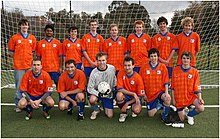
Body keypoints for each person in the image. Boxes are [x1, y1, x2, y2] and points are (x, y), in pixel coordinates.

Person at [8, 18, 37, 112]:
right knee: (19, 85)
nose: (25, 26)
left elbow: (33, 51)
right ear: (20, 26)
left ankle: (29, 102)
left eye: (26, 25)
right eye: (23, 25)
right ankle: (18, 104)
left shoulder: (32, 38)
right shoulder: (14, 38)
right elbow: (11, 52)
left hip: (29, 65)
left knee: (30, 85)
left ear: (28, 26)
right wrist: (18, 59)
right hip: (19, 66)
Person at [171, 51, 204, 125]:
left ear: (190, 60)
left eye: (187, 58)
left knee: (201, 108)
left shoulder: (194, 71)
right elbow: (172, 87)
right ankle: (184, 111)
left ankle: (190, 115)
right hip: (179, 98)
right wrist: (174, 99)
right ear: (181, 59)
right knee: (182, 119)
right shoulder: (175, 70)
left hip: (190, 97)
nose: (185, 60)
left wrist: (200, 98)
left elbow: (197, 86)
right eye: (184, 58)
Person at [139, 48, 171, 124]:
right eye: (152, 56)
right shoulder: (144, 67)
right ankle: (159, 105)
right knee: (151, 114)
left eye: (155, 56)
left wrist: (166, 93)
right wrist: (144, 95)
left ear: (157, 57)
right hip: (150, 94)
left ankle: (165, 115)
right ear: (149, 57)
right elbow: (140, 83)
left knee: (168, 98)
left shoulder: (163, 67)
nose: (153, 58)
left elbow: (166, 81)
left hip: (160, 92)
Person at [87, 52, 116, 120]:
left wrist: (112, 92)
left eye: (103, 60)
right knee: (92, 100)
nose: (101, 62)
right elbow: (89, 88)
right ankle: (96, 109)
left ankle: (103, 105)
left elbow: (114, 81)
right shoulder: (94, 72)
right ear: (96, 61)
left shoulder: (112, 69)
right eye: (99, 60)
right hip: (98, 94)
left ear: (106, 60)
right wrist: (98, 94)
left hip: (108, 95)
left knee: (110, 115)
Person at [116, 56, 145, 122]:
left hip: (134, 98)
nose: (127, 68)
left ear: (133, 66)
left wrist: (127, 103)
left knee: (137, 110)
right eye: (125, 65)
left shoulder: (138, 77)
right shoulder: (121, 73)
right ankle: (124, 113)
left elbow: (140, 96)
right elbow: (119, 88)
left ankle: (131, 108)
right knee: (119, 95)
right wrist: (132, 93)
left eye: (129, 65)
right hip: (126, 96)